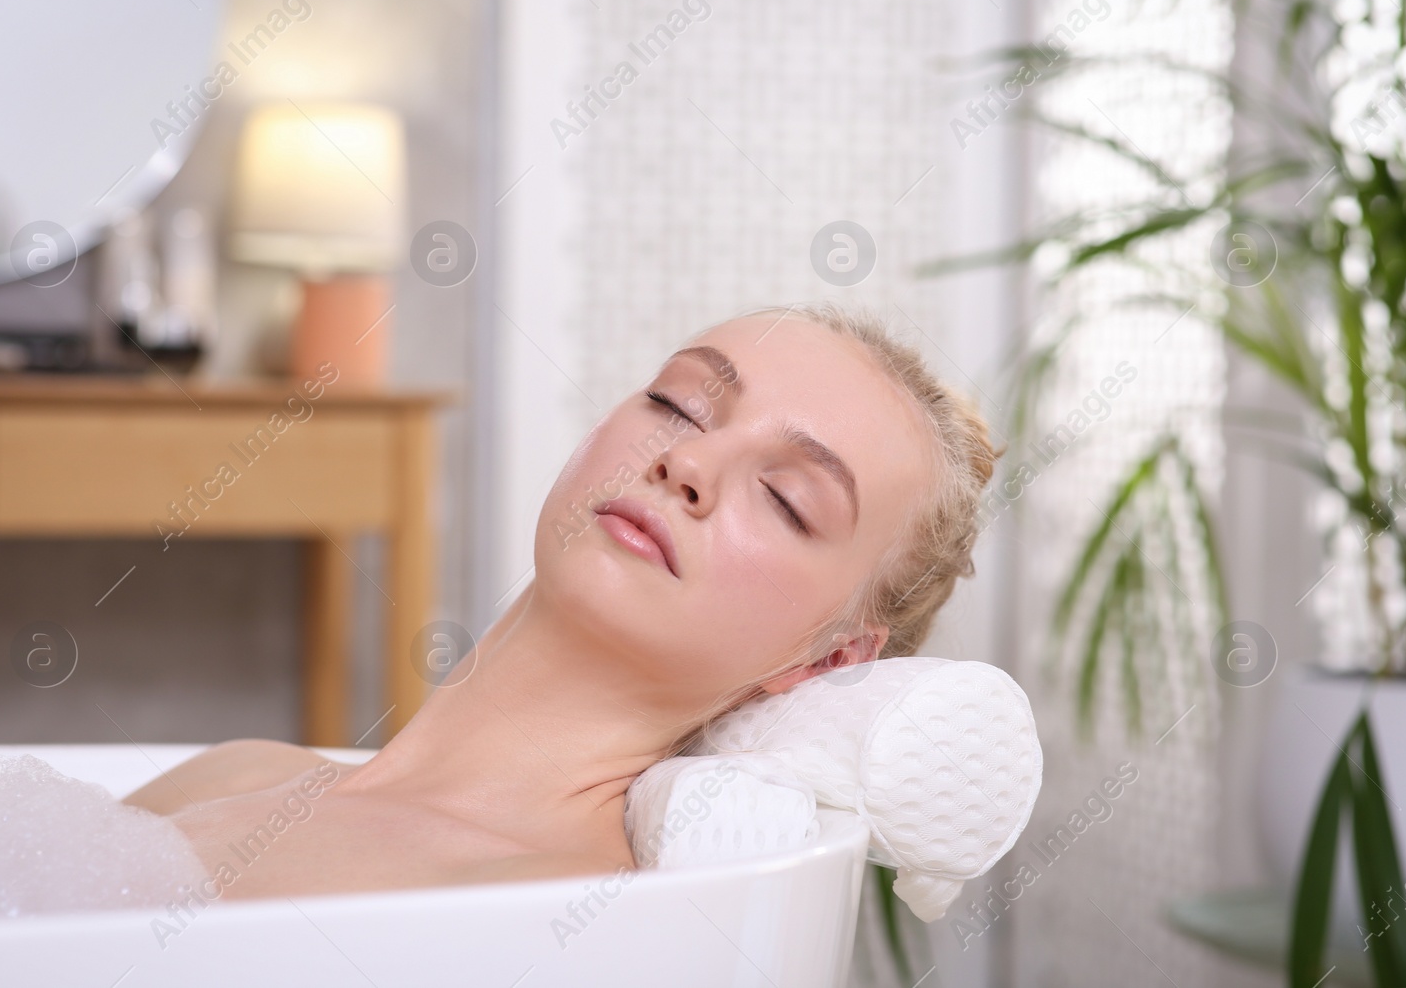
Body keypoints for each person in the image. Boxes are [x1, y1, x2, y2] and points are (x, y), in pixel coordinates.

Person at [123, 303, 997, 900]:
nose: (685, 465)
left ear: (829, 659)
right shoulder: (238, 774)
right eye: (680, 404)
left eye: (787, 498)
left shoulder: (563, 911)